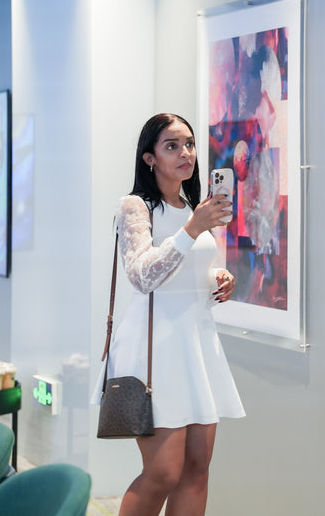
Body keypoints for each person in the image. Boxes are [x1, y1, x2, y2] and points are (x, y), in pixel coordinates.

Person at [99, 113, 246, 516]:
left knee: (197, 469)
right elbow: (142, 276)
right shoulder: (136, 206)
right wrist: (192, 229)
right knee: (163, 472)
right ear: (149, 158)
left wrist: (219, 278)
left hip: (196, 345)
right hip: (154, 349)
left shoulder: (193, 208)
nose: (186, 153)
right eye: (172, 146)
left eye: (190, 144)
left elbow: (187, 274)